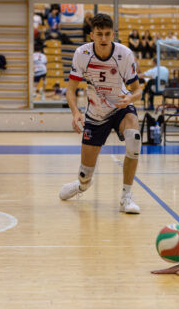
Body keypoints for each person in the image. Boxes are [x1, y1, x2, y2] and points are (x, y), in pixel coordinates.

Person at [59, 13, 143, 214]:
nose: (103, 39)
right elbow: (70, 89)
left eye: (107, 34)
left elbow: (138, 90)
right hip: (96, 113)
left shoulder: (125, 54)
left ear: (112, 34)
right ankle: (81, 185)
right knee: (85, 174)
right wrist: (75, 112)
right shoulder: (82, 54)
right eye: (99, 34)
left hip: (121, 107)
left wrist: (130, 99)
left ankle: (126, 197)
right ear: (92, 36)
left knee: (134, 139)